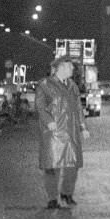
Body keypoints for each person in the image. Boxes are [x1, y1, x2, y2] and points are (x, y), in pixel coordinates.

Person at [36, 55, 88, 210]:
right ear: (61, 67)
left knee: (73, 166)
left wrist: (83, 127)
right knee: (52, 166)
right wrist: (48, 121)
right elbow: (40, 106)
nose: (72, 69)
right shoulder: (45, 84)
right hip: (54, 133)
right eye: (70, 66)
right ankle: (52, 198)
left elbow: (78, 108)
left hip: (71, 132)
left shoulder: (73, 86)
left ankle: (67, 193)